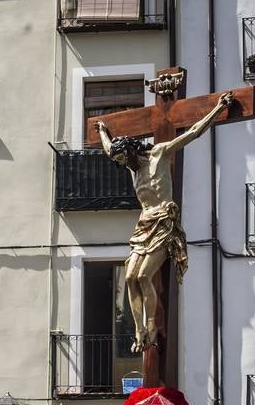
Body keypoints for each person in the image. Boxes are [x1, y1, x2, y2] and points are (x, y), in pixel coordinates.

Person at [93, 90, 235, 352]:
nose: (124, 164)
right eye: (120, 161)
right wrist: (103, 131)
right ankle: (138, 332)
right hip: (143, 224)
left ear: (132, 151)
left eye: (124, 158)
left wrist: (217, 109)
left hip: (163, 222)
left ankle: (150, 325)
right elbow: (108, 149)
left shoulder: (159, 154)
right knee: (130, 277)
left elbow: (192, 133)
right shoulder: (131, 167)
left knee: (144, 275)